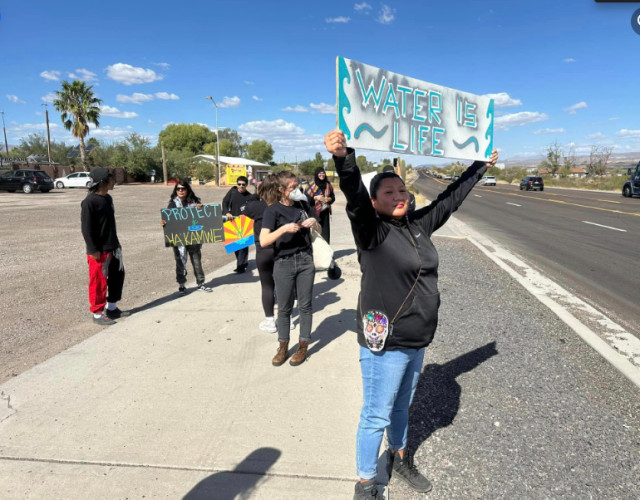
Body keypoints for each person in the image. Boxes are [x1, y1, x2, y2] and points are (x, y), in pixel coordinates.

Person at [324, 129, 498, 499]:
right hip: (385, 344)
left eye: (402, 190)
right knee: (376, 414)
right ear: (375, 202)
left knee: (402, 406)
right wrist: (344, 158)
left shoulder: (418, 225)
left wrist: (479, 167)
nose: (399, 196)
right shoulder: (371, 231)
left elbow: (451, 200)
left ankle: (399, 457)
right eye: (388, 192)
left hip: (418, 339)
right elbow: (353, 195)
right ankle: (367, 482)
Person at [260, 171, 320, 367]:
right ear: (281, 190)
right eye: (292, 187)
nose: (296, 189)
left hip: (305, 261)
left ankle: (303, 345)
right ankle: (283, 346)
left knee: (305, 306)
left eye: (297, 185)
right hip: (283, 262)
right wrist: (284, 229)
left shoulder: (303, 205)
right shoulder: (272, 211)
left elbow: (318, 231)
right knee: (284, 308)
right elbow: (263, 241)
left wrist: (315, 223)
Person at [81, 167, 129, 325]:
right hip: (99, 250)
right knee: (98, 281)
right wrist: (93, 249)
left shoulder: (108, 199)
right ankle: (97, 314)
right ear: (102, 182)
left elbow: (110, 225)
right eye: (111, 179)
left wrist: (117, 242)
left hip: (113, 246)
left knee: (117, 277)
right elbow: (86, 228)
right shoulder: (89, 202)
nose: (113, 181)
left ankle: (112, 308)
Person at [161, 179, 212, 295]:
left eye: (183, 188)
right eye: (178, 189)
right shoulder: (173, 204)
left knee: (197, 261)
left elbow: (204, 217)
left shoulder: (195, 202)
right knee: (179, 262)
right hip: (179, 239)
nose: (180, 191)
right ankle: (182, 285)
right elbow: (168, 219)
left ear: (187, 190)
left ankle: (201, 283)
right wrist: (164, 223)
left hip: (194, 238)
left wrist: (201, 208)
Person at [243, 174, 280, 333]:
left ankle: (270, 321)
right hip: (281, 250)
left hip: (263, 250)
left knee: (267, 286)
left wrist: (256, 194)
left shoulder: (256, 206)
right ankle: (288, 319)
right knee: (284, 286)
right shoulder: (284, 205)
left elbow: (243, 209)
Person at [222, 175, 253, 273]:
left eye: (243, 185)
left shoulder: (250, 197)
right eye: (239, 184)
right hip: (231, 221)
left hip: (244, 223)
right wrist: (226, 212)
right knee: (235, 245)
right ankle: (243, 262)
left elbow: (252, 210)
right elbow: (224, 202)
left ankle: (240, 266)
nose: (241, 186)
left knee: (243, 245)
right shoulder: (232, 191)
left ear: (246, 185)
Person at [306, 166, 335, 243]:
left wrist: (329, 199)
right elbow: (306, 200)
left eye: (323, 173)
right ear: (316, 174)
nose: (322, 175)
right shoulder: (311, 185)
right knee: (315, 232)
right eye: (320, 173)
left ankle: (326, 252)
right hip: (314, 212)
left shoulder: (328, 185)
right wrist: (316, 198)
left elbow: (333, 197)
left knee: (325, 233)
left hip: (325, 212)